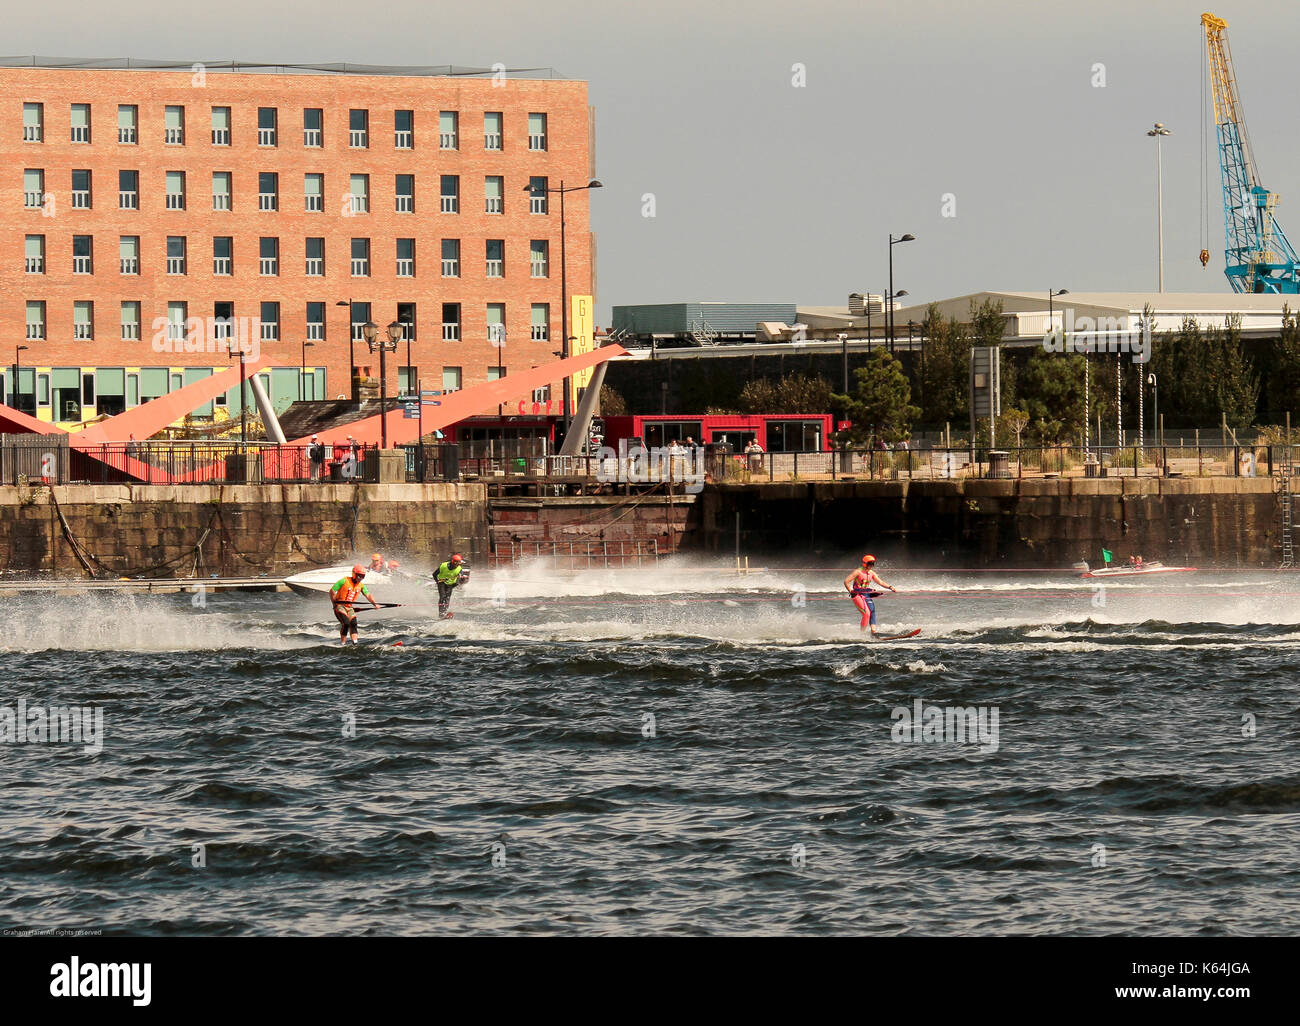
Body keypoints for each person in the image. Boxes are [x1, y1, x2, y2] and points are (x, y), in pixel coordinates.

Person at [843, 554, 898, 635]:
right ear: (865, 564)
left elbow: (880, 582)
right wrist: (850, 591)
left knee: (872, 611)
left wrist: (890, 587)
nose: (871, 566)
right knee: (866, 613)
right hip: (857, 595)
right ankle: (861, 634)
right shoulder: (858, 571)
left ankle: (874, 632)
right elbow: (846, 581)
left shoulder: (871, 573)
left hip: (866, 594)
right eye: (870, 564)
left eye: (873, 564)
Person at [330, 564, 380, 644]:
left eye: (362, 576)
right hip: (340, 606)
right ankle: (342, 644)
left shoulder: (361, 585)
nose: (360, 578)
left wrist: (375, 604)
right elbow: (332, 591)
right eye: (359, 576)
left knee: (353, 623)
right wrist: (334, 603)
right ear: (354, 574)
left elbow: (368, 595)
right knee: (346, 623)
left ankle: (355, 643)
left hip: (349, 608)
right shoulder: (344, 580)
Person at [432, 553, 468, 619]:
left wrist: (462, 579)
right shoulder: (443, 566)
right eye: (456, 563)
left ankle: (444, 612)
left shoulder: (459, 569)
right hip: (441, 583)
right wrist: (437, 582)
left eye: (458, 563)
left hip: (451, 584)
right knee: (443, 596)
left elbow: (461, 579)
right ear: (452, 562)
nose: (457, 565)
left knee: (447, 597)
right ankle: (441, 614)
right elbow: (434, 574)